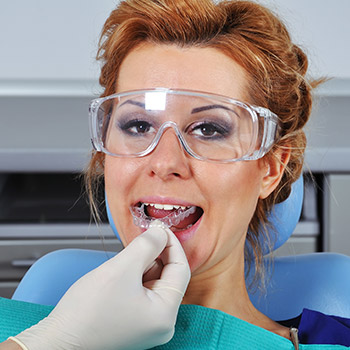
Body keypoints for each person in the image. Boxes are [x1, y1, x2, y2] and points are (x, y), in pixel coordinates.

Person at [1, 0, 349, 349]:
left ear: (271, 168)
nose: (165, 162)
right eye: (138, 125)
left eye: (210, 129)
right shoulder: (35, 334)